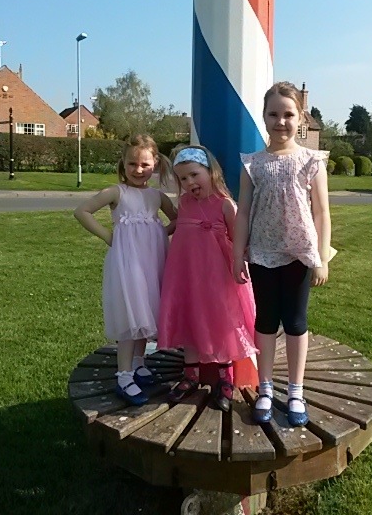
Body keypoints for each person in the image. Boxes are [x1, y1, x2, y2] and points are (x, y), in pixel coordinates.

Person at [233, 81, 332, 427]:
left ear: (300, 117)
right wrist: (237, 254)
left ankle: (295, 391)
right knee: (265, 321)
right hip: (262, 253)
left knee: (295, 322)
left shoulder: (311, 161)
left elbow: (322, 212)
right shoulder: (253, 164)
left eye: (288, 114)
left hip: (299, 254)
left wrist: (320, 257)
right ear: (263, 117)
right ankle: (265, 388)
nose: (281, 121)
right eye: (273, 114)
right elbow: (243, 212)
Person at [74, 134, 177, 406]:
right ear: (123, 162)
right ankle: (124, 376)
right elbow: (82, 211)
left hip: (152, 262)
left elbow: (179, 219)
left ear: (155, 164)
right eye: (132, 164)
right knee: (131, 316)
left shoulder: (157, 196)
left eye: (144, 164)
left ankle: (139, 363)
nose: (138, 170)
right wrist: (109, 237)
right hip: (127, 263)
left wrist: (159, 233)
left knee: (146, 313)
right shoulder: (116, 192)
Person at [157, 145, 257, 412]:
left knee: (220, 322)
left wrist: (238, 265)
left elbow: (238, 240)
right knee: (190, 318)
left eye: (194, 175)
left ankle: (225, 379)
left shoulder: (225, 204)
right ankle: (191, 375)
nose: (189, 182)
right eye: (183, 178)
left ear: (210, 171)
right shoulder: (184, 204)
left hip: (216, 278)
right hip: (186, 275)